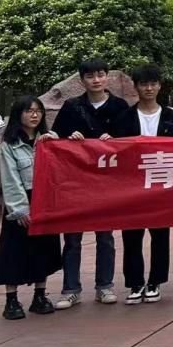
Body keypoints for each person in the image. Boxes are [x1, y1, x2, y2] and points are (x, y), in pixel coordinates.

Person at [51, 58, 129, 307]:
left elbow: (130, 142)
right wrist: (68, 138)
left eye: (100, 74)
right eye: (90, 76)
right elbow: (56, 139)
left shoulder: (119, 106)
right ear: (82, 80)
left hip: (107, 184)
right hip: (76, 183)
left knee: (105, 236)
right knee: (72, 238)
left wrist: (114, 140)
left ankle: (104, 286)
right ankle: (70, 289)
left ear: (107, 76)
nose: (96, 80)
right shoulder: (72, 106)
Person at [111, 65, 173, 304]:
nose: (149, 88)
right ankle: (135, 283)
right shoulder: (124, 117)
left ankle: (155, 282)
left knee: (160, 235)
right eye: (144, 84)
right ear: (136, 87)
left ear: (159, 86)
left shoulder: (172, 117)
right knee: (131, 236)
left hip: (162, 184)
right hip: (132, 186)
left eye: (153, 83)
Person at [0, 97, 62, 320]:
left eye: (38, 111)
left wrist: (58, 142)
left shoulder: (49, 140)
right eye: (29, 111)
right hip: (21, 201)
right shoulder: (9, 146)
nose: (34, 115)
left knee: (44, 249)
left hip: (45, 202)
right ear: (18, 114)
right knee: (13, 251)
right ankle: (11, 299)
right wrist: (20, 209)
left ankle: (40, 295)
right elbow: (10, 180)